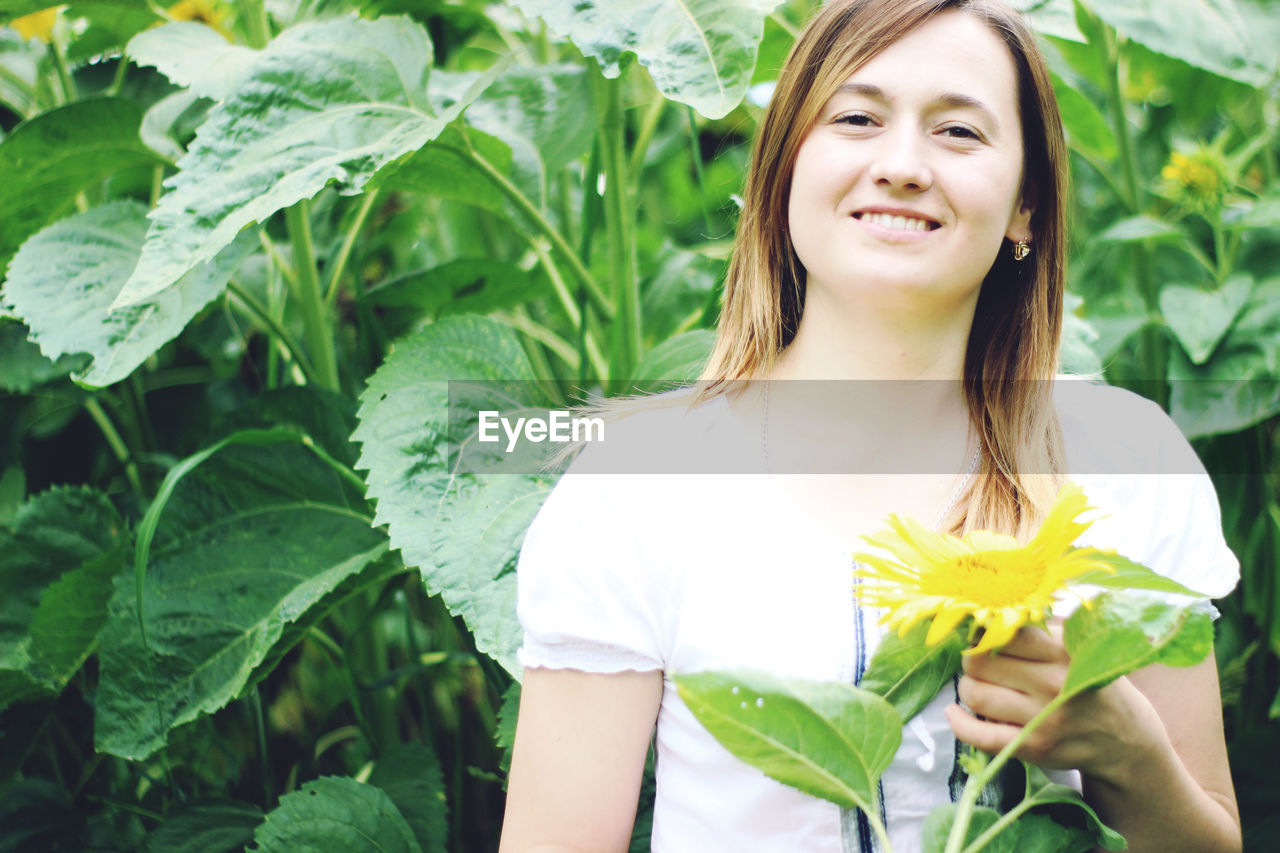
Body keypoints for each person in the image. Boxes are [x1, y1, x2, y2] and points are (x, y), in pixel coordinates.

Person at [499, 1, 1242, 850]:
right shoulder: (636, 487)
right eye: (856, 118)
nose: (901, 165)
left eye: (959, 132)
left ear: (1026, 207)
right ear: (783, 168)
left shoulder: (1128, 458)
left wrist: (1128, 751)